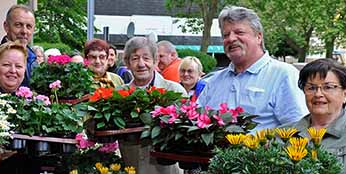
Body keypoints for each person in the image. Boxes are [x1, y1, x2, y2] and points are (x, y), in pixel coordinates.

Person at [197, 6, 307, 131]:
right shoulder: (214, 81)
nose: (231, 39)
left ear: (258, 37)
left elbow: (297, 128)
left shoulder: (283, 75)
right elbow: (196, 122)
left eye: (239, 32)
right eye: (226, 35)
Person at [282, 59, 346, 173]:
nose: (318, 94)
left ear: (345, 94)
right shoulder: (281, 135)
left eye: (328, 87)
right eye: (311, 88)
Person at [119, 36, 186, 174]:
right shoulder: (119, 94)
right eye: (135, 58)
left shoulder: (174, 90)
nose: (141, 64)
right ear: (127, 62)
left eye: (146, 58)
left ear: (155, 60)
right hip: (131, 165)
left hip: (166, 169)